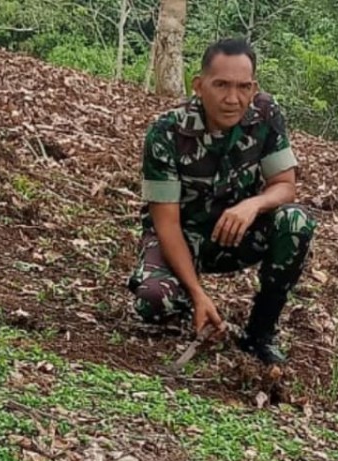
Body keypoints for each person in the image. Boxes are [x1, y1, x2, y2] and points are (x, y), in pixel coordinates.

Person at [127, 38, 316, 365]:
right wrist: (199, 293)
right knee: (154, 302)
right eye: (221, 85)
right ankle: (191, 302)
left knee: (295, 221)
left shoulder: (266, 113)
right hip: (181, 238)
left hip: (234, 234)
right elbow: (167, 225)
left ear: (253, 87)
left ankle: (260, 334)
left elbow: (285, 187)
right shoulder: (167, 132)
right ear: (198, 85)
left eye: (243, 87)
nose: (233, 98)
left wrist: (253, 205)